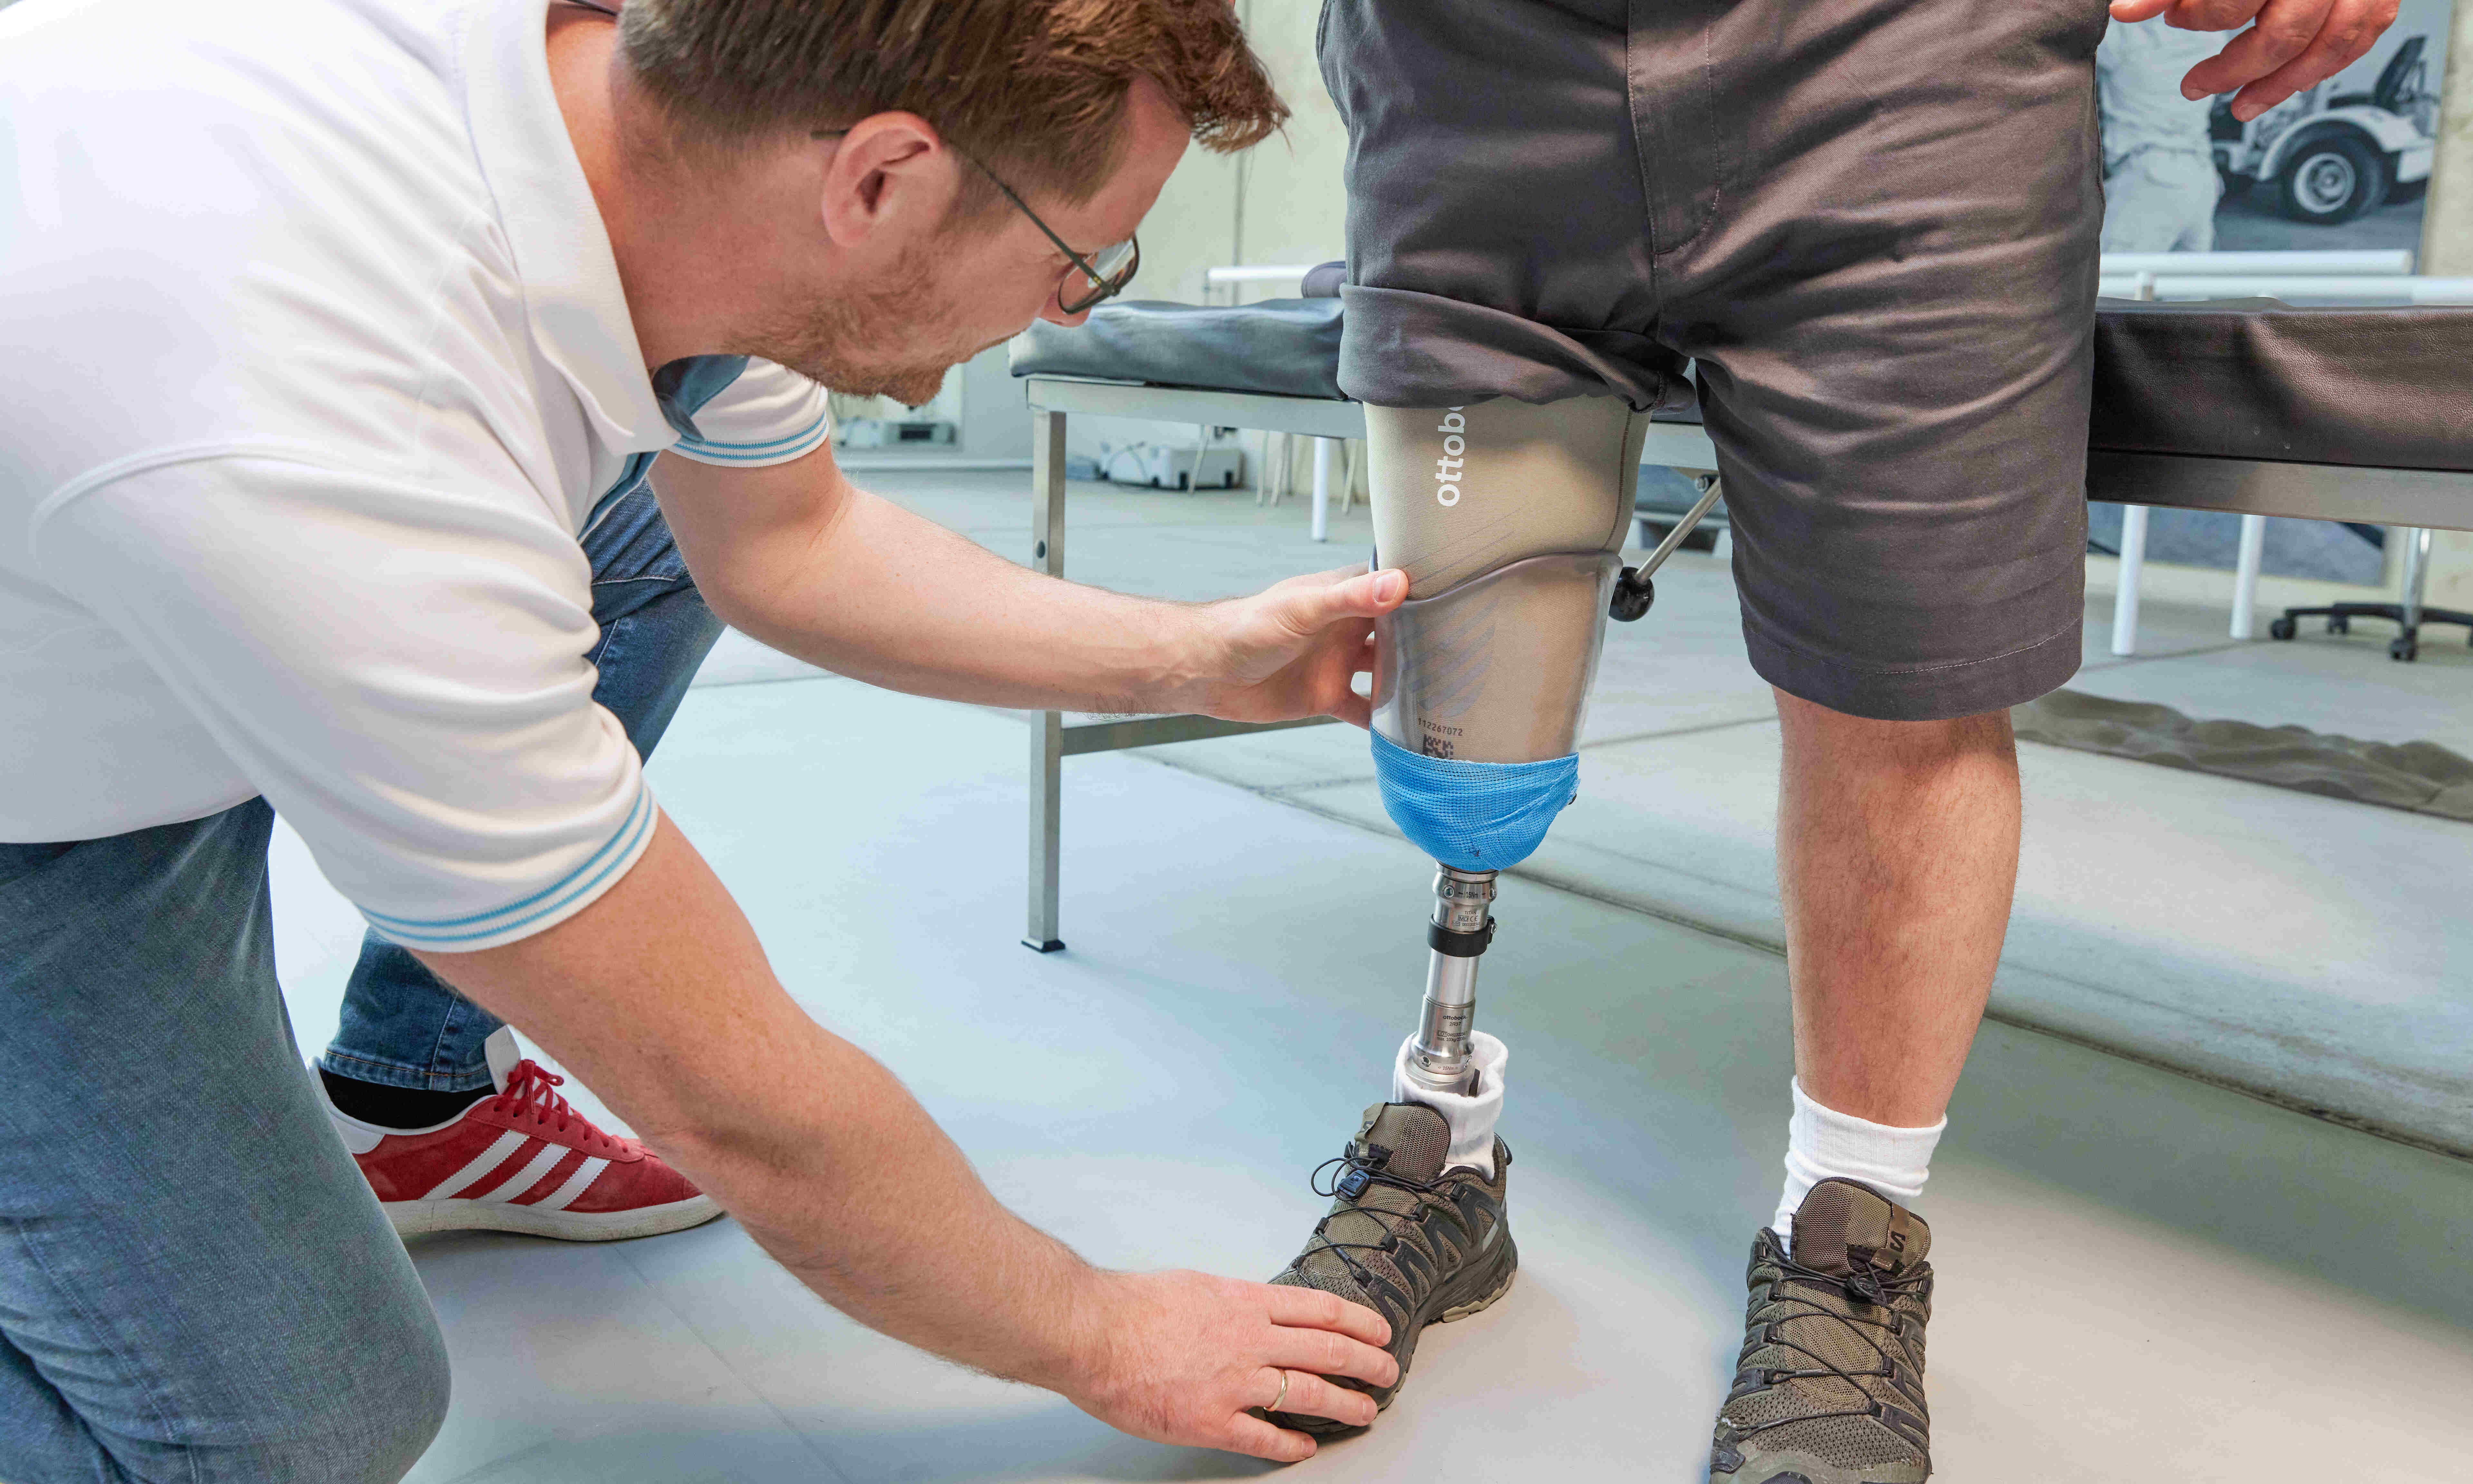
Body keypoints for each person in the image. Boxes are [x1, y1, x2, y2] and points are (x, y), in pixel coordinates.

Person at [0, 0, 1415, 1476]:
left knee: (645, 534)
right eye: (1079, 256)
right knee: (289, 1428)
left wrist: (1200, 657)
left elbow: (787, 543)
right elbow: (744, 1110)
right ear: (883, 182)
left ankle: (416, 1099)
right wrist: (1100, 1328)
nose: (1069, 309)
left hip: (114, 581)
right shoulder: (350, 442)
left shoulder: (662, 144)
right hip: (43, 814)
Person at [1253, 1, 2401, 1480]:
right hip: (1476, 64)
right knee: (1469, 706)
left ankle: (1847, 1231)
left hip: (1907, 68)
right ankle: (1441, 1150)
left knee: (1902, 690)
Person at [2099, 15, 2239, 253]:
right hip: (2201, 177)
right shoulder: (2212, 37)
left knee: (2113, 286)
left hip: (2149, 180)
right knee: (2186, 286)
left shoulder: (2126, 37)